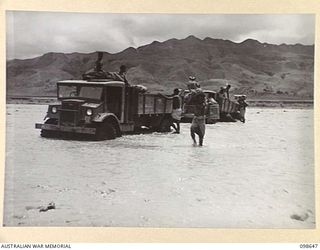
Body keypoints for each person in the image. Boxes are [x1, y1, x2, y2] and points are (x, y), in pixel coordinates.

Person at [184, 77, 207, 146]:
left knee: (201, 136)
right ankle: (194, 142)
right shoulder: (197, 101)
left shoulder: (203, 103)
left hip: (201, 118)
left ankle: (200, 145)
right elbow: (188, 101)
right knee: (192, 130)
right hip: (196, 117)